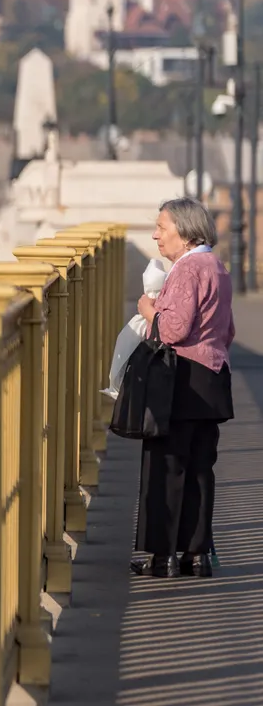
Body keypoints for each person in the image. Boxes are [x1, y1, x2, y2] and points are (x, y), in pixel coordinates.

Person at [130, 197, 235, 578]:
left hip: (181, 382)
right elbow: (228, 331)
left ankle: (163, 558)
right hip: (212, 379)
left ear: (186, 233)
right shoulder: (217, 268)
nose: (156, 235)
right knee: (199, 470)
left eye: (162, 227)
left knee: (167, 466)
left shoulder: (187, 270)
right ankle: (197, 555)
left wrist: (148, 310)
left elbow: (173, 329)